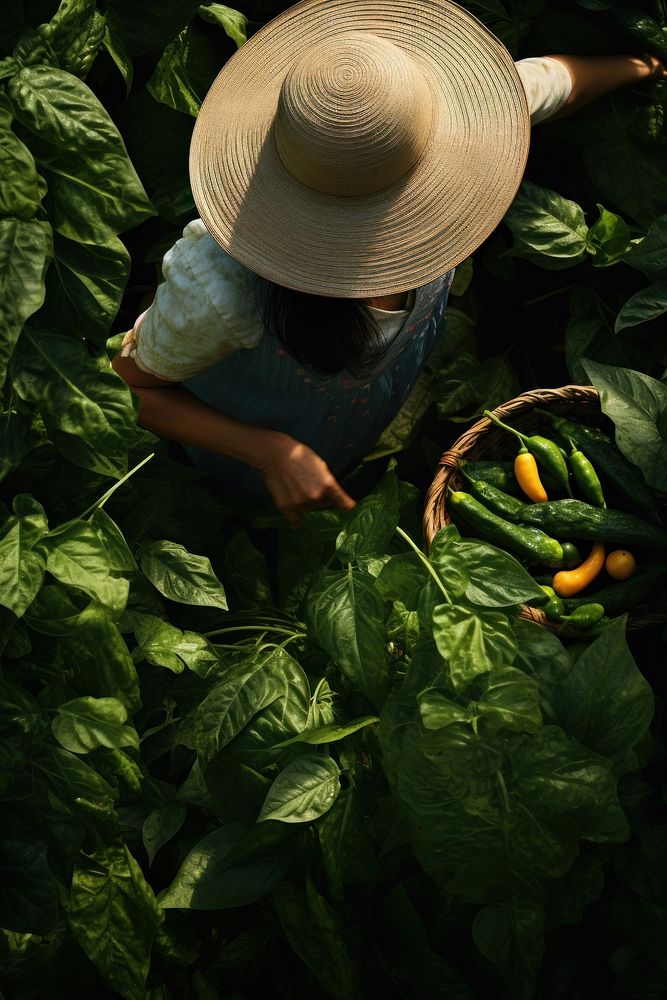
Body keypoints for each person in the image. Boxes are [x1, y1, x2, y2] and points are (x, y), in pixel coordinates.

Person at [112, 0, 666, 527]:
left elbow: (551, 84)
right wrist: (269, 453)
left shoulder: (439, 121)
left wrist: (644, 64)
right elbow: (131, 386)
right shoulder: (225, 286)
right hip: (253, 430)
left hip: (357, 406)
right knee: (239, 501)